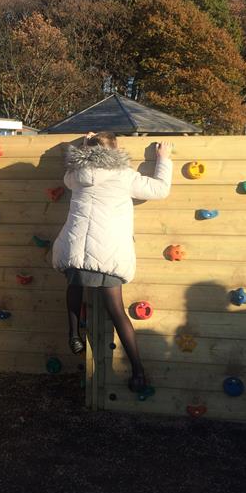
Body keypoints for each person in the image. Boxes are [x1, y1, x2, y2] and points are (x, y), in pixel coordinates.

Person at [51, 132, 172, 393]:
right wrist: (163, 159)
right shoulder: (125, 176)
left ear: (88, 151)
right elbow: (160, 190)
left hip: (74, 246)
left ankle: (74, 334)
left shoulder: (76, 176)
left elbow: (72, 170)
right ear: (116, 150)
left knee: (74, 288)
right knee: (116, 311)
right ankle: (138, 370)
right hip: (107, 251)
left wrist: (82, 146)